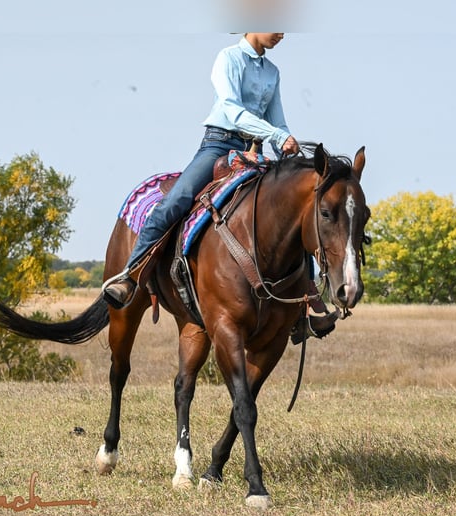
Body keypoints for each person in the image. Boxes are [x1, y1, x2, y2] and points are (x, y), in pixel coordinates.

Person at [103, 33, 335, 338]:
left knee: (295, 209)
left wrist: (285, 146)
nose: (281, 33)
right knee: (177, 199)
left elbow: (277, 120)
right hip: (219, 144)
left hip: (255, 151)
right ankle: (130, 275)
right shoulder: (229, 58)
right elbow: (231, 109)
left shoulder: (272, 72)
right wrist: (277, 137)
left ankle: (303, 307)